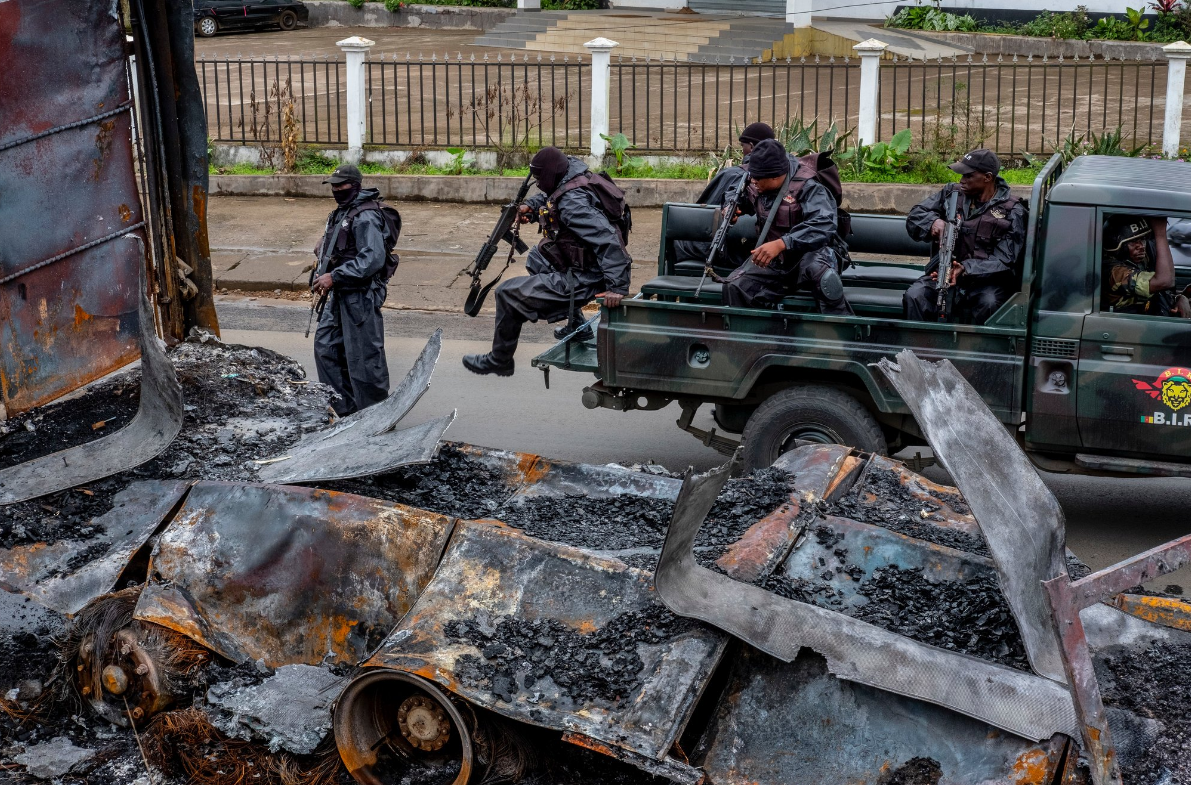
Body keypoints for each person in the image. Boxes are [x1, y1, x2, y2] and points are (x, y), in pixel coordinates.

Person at [462, 147, 632, 377]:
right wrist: (530, 207)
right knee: (537, 256)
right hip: (589, 265)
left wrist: (617, 288)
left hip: (588, 276)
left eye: (541, 178)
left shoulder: (573, 206)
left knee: (506, 293)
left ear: (551, 175)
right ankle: (576, 325)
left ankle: (500, 360)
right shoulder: (572, 173)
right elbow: (551, 195)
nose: (539, 184)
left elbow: (609, 241)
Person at [720, 138, 850, 314]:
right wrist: (731, 206)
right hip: (776, 261)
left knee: (825, 279)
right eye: (752, 176)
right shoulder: (757, 182)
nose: (753, 181)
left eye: (758, 178)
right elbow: (735, 192)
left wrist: (782, 243)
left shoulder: (808, 186)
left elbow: (823, 224)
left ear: (775, 176)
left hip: (811, 256)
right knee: (735, 286)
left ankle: (840, 334)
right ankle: (750, 338)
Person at [311, 163, 398, 415]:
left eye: (341, 185)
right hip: (340, 294)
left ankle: (375, 415)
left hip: (360, 296)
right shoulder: (342, 212)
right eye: (333, 186)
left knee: (364, 360)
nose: (337, 190)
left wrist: (334, 276)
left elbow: (372, 259)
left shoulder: (366, 216)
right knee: (326, 348)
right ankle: (343, 411)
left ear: (355, 186)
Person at [903, 149, 1028, 324]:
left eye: (968, 176)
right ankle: (919, 349)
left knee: (989, 304)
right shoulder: (952, 194)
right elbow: (915, 215)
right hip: (943, 274)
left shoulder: (1012, 211)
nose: (961, 180)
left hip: (986, 282)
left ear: (987, 177)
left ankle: (976, 350)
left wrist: (966, 268)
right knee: (915, 295)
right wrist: (933, 223)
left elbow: (1006, 259)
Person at [673, 122, 776, 269]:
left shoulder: (733, 175)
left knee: (678, 239)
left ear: (752, 147)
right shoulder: (781, 176)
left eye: (743, 146)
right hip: (762, 251)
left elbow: (702, 214)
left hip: (729, 251)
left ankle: (673, 284)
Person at [1102, 216, 1190, 317]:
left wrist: (1180, 297)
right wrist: (1160, 233)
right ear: (1118, 245)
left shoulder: (1138, 260)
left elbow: (1159, 292)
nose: (1141, 246)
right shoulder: (1114, 272)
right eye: (1133, 241)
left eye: (1143, 239)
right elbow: (1164, 281)